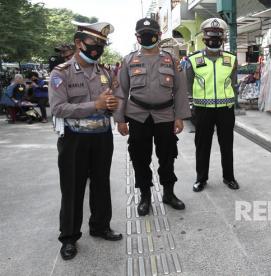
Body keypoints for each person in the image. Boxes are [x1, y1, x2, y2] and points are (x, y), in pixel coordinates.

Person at [48, 20, 122, 261]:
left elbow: (111, 103)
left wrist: (111, 106)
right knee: (73, 188)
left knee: (101, 184)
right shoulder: (61, 73)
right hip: (74, 139)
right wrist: (95, 105)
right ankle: (69, 237)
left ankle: (100, 226)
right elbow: (58, 108)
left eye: (102, 44)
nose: (98, 48)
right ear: (79, 43)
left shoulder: (105, 72)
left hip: (102, 137)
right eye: (94, 43)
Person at [113, 18, 191, 214]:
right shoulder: (129, 60)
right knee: (140, 157)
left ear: (159, 35)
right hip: (138, 116)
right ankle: (145, 196)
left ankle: (169, 193)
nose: (147, 37)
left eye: (151, 33)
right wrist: (120, 119)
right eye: (143, 33)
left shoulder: (171, 60)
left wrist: (180, 116)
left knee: (167, 156)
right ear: (137, 36)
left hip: (165, 115)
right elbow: (121, 91)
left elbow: (180, 91)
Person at [186, 18, 240, 192]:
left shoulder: (231, 59)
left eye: (218, 38)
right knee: (202, 146)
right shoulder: (193, 60)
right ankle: (201, 178)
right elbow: (188, 85)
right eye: (210, 38)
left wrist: (232, 102)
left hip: (225, 110)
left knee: (227, 145)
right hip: (202, 110)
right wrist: (192, 106)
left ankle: (229, 177)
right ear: (204, 39)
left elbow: (232, 83)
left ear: (222, 39)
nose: (214, 41)